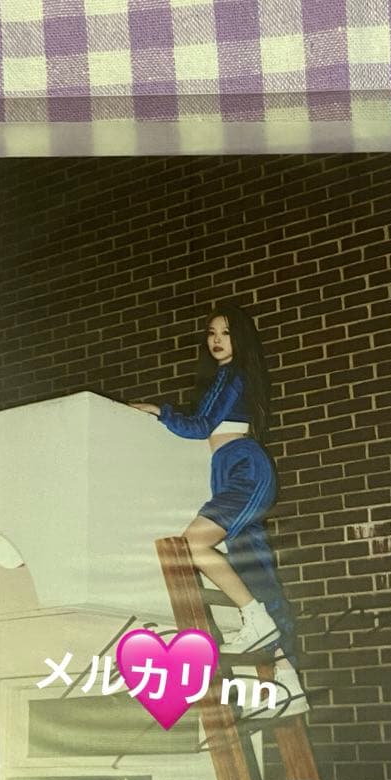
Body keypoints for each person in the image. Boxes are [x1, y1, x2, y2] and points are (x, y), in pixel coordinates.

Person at [127, 303, 308, 717]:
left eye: (225, 333)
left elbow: (200, 426)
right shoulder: (224, 377)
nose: (216, 340)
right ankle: (289, 684)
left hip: (245, 469)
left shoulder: (234, 374)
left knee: (193, 544)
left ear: (239, 339)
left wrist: (159, 411)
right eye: (211, 333)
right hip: (230, 473)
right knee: (257, 575)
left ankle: (254, 618)